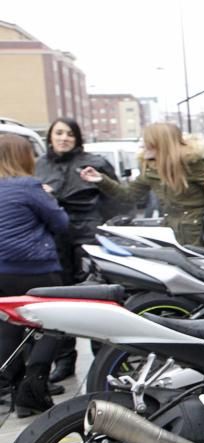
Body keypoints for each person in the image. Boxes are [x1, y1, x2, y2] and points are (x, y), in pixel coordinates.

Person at [34, 117, 117, 383]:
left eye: (69, 134)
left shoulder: (95, 162)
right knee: (59, 299)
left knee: (94, 297)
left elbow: (115, 199)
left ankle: (102, 357)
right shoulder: (40, 165)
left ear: (77, 138)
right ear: (50, 137)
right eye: (59, 133)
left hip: (87, 234)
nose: (64, 138)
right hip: (54, 237)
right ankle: (64, 360)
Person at [0, 135, 70, 416]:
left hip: (1, 271)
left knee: (8, 330)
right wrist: (49, 196)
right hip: (35, 269)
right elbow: (61, 223)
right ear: (24, 157)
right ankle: (33, 387)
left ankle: (11, 390)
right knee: (53, 326)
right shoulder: (30, 187)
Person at [80, 123, 204, 246]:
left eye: (149, 142)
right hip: (170, 231)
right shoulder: (151, 169)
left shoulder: (192, 163)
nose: (144, 145)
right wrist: (101, 180)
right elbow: (128, 195)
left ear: (162, 144)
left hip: (199, 231)